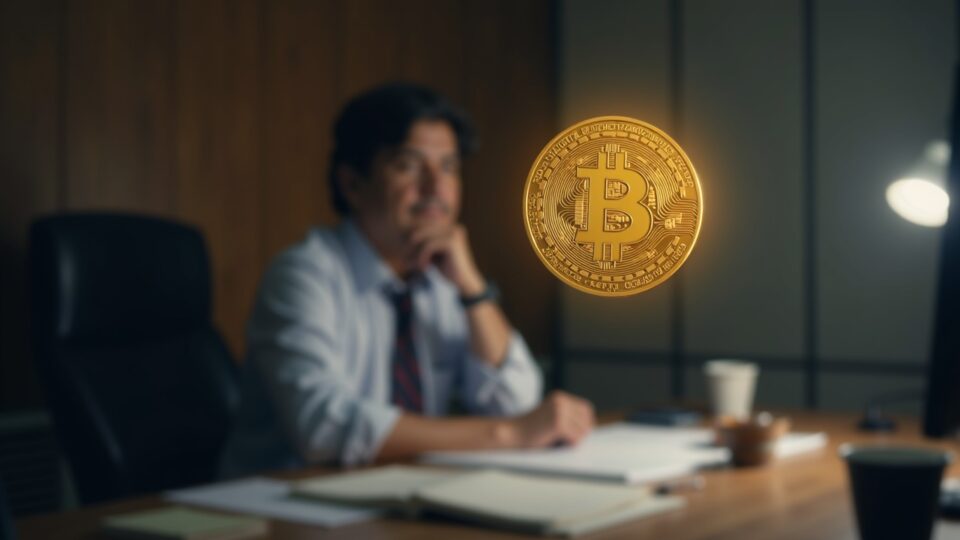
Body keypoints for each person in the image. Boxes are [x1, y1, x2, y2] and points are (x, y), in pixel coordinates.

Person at [220, 83, 595, 476]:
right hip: (277, 507)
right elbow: (323, 430)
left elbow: (516, 402)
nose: (436, 188)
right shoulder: (302, 276)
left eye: (449, 167)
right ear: (353, 184)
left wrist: (472, 289)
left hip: (398, 496)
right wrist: (508, 435)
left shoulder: (442, 277)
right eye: (408, 165)